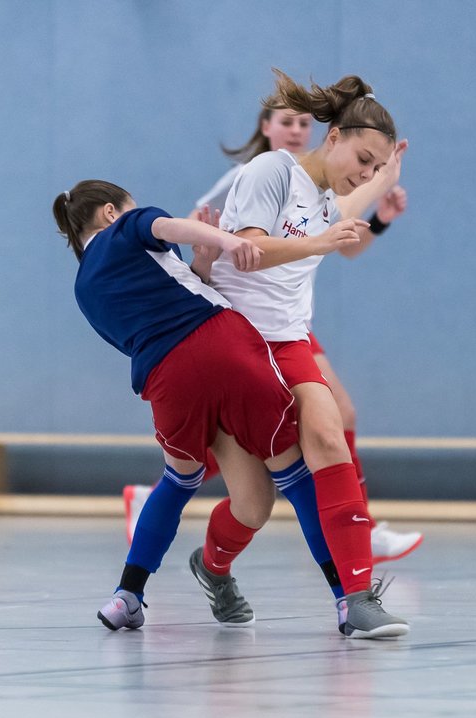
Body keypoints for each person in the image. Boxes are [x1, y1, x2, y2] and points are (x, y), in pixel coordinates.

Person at [53, 179, 408, 639]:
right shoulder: (127, 228)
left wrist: (202, 265)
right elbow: (171, 226)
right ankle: (346, 599)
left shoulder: (84, 288)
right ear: (108, 212)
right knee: (295, 475)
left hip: (166, 380)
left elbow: (160, 313)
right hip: (222, 346)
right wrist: (226, 241)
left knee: (191, 483)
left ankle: (127, 595)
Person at [124, 99, 423, 565]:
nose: (296, 130)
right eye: (286, 122)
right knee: (283, 438)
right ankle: (170, 499)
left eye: (304, 122)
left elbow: (345, 238)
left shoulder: (321, 190)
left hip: (287, 322)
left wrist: (381, 206)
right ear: (267, 128)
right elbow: (208, 239)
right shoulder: (257, 175)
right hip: (237, 320)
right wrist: (205, 257)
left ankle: (353, 536)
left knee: (316, 425)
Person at [192, 70, 412, 636]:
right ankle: (212, 566)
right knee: (255, 505)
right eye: (360, 158)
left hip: (288, 342)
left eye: (372, 166)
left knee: (330, 433)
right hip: (231, 343)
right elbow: (248, 249)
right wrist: (319, 242)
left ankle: (357, 598)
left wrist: (385, 178)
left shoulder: (329, 195)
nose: (360, 174)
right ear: (332, 137)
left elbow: (358, 200)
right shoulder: (272, 171)